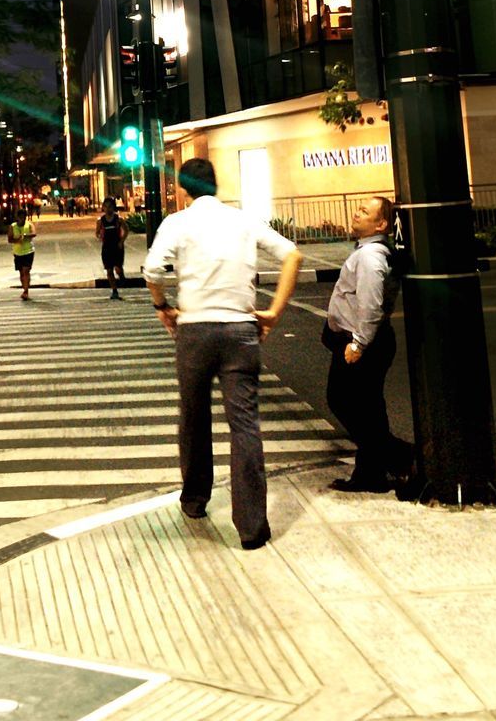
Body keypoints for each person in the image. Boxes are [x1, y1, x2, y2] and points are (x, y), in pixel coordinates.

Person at [144, 157, 303, 551]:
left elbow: (153, 271)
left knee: (193, 417)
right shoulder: (242, 221)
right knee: (244, 426)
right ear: (216, 185)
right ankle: (251, 527)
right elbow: (292, 256)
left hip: (195, 329)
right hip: (240, 330)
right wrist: (274, 312)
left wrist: (163, 307)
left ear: (183, 188)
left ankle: (195, 500)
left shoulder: (177, 223)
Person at [323, 195, 413, 493]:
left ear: (381, 223)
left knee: (344, 401)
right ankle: (371, 474)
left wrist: (359, 344)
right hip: (362, 340)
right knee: (368, 409)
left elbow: (370, 305)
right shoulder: (370, 252)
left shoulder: (371, 257)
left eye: (365, 211)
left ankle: (400, 457)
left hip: (360, 344)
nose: (356, 214)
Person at [96, 197, 129, 300]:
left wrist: (121, 241)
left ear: (113, 207)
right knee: (109, 270)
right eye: (105, 206)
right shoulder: (101, 221)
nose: (107, 209)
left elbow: (126, 230)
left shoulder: (118, 219)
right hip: (107, 247)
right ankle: (114, 291)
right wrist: (100, 237)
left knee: (118, 268)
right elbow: (97, 233)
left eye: (110, 206)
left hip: (117, 246)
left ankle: (122, 276)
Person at [7, 206, 36, 300]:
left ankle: (26, 291)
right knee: (21, 272)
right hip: (17, 252)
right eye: (20, 217)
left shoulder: (29, 225)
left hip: (28, 251)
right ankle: (24, 288)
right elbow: (9, 239)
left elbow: (34, 233)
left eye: (24, 217)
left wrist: (25, 235)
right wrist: (17, 239)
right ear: (17, 217)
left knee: (26, 270)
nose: (22, 219)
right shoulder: (12, 226)